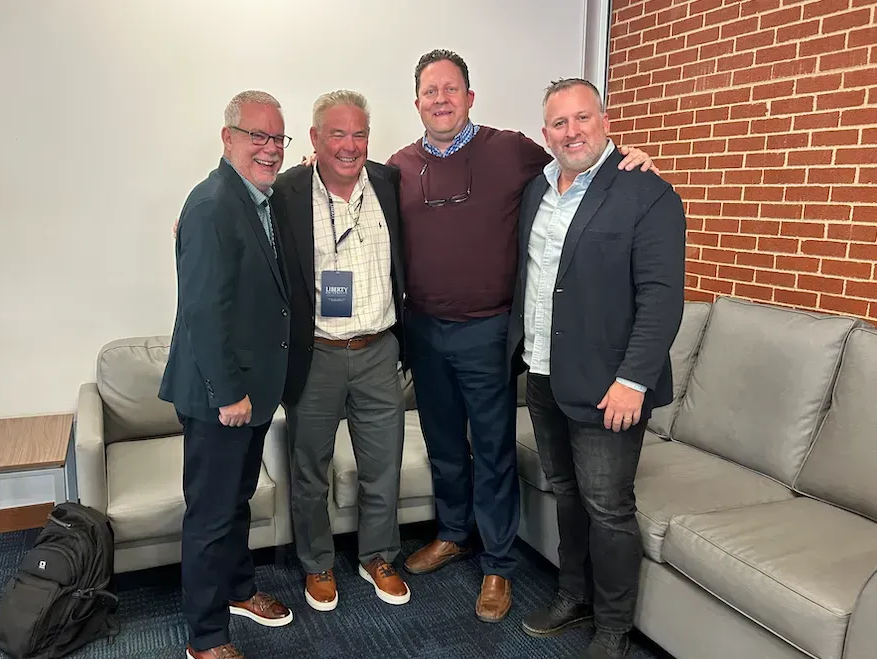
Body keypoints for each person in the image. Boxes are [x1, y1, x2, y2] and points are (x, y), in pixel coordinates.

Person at [386, 49, 656, 624]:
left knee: (492, 452)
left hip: (488, 332)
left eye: (451, 89)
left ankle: (498, 565)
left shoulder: (512, 151)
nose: (441, 99)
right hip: (425, 332)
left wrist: (629, 157)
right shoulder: (399, 166)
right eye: (430, 91)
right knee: (443, 446)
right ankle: (454, 532)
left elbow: (578, 158)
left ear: (470, 97)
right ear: (416, 103)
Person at [506, 78, 685, 659]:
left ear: (605, 122)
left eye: (582, 118)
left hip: (610, 387)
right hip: (543, 372)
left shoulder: (647, 193)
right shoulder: (537, 190)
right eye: (559, 123)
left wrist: (634, 380)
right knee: (566, 494)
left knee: (609, 509)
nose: (572, 131)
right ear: (545, 134)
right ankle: (572, 594)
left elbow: (661, 298)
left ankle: (613, 627)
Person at [159, 90, 296, 659]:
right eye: (256, 136)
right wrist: (229, 391)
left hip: (251, 392)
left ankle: (239, 590)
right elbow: (202, 310)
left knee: (237, 500)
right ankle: (206, 637)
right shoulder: (212, 203)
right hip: (223, 396)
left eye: (276, 139)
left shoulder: (259, 199)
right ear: (228, 138)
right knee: (212, 514)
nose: (267, 149)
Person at [270, 90, 410, 611]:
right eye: (337, 134)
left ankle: (378, 556)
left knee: (383, 466)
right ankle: (317, 563)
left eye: (359, 134)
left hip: (379, 348)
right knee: (310, 469)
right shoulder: (287, 191)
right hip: (317, 353)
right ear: (314, 139)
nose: (349, 146)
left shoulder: (391, 183)